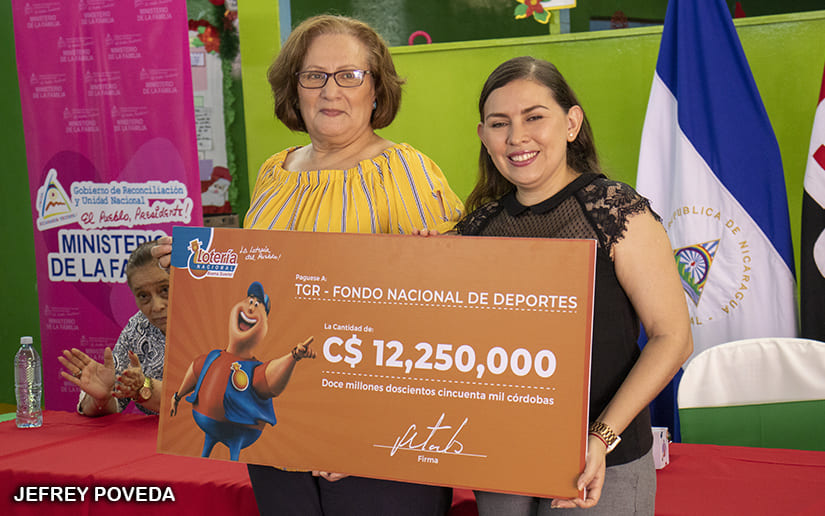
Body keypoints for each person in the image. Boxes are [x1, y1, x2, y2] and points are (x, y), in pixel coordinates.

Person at [154, 14, 464, 516]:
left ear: (377, 90)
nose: (330, 90)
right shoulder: (273, 174)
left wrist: (369, 433)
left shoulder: (406, 171)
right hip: (277, 431)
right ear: (294, 90)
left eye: (349, 75)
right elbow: (253, 279)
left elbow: (441, 314)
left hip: (377, 438)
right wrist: (196, 267)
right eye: (313, 76)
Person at [452, 56, 692, 515]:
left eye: (534, 117)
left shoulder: (616, 212)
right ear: (483, 136)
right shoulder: (475, 230)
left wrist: (600, 438)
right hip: (500, 459)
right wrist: (420, 261)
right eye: (499, 124)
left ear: (571, 123)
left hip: (603, 461)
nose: (516, 137)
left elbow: (673, 338)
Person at [170, 281, 316, 461]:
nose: (251, 308)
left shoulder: (254, 369)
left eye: (258, 305)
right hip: (205, 420)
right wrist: (177, 396)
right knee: (202, 458)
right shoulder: (213, 356)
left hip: (241, 429)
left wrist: (294, 356)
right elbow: (195, 370)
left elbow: (271, 381)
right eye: (249, 301)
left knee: (233, 462)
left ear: (265, 327)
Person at [59, 239, 168, 416]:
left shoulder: (209, 322)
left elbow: (200, 400)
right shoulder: (138, 328)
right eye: (143, 295)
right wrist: (101, 399)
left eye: (165, 289)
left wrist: (144, 386)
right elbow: (112, 404)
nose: (157, 306)